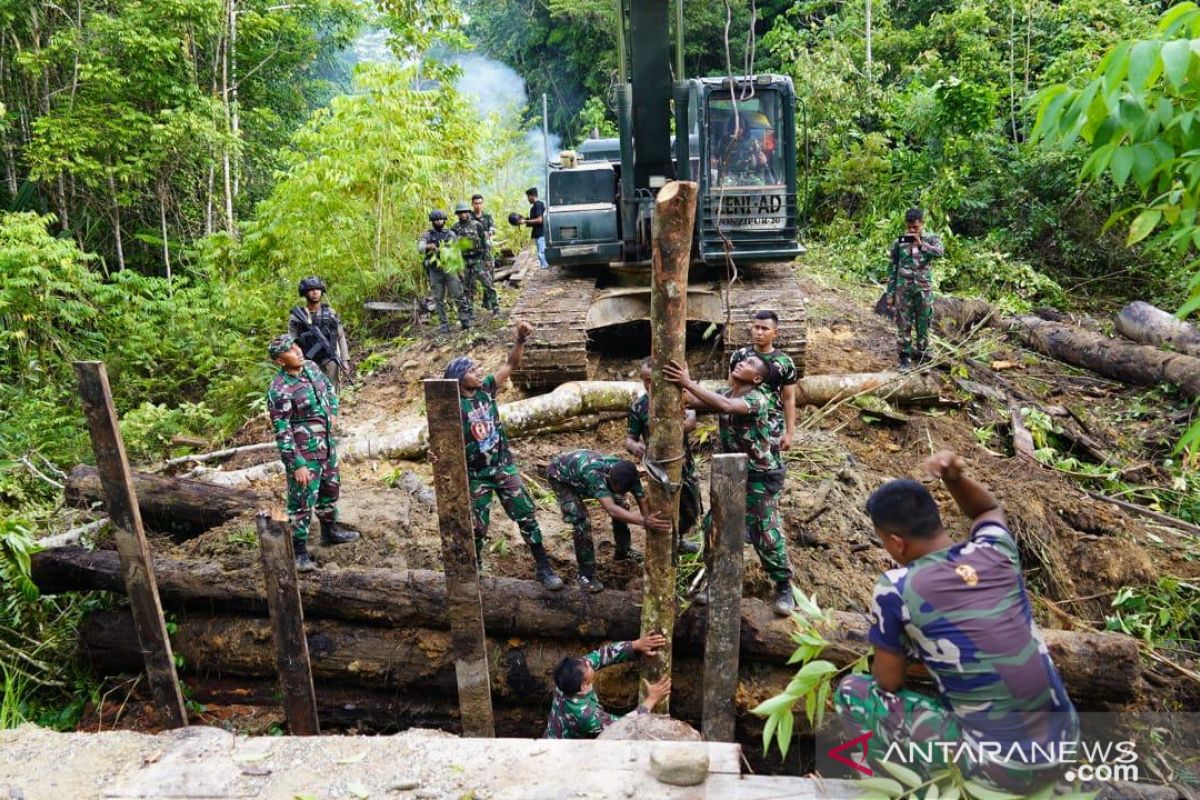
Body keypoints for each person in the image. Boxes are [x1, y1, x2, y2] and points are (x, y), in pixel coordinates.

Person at [833, 451, 1079, 791]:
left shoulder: (896, 588)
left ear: (896, 542)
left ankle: (890, 788)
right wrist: (955, 479)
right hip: (1065, 746)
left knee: (853, 693)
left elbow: (887, 682)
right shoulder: (995, 551)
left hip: (999, 769)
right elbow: (987, 510)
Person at [663, 357, 796, 616]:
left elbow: (723, 405)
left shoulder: (759, 398)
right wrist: (684, 388)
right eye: (741, 360)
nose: (740, 363)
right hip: (731, 474)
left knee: (766, 533)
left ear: (756, 379)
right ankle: (715, 583)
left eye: (748, 364)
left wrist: (687, 382)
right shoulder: (729, 392)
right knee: (713, 527)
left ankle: (783, 586)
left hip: (760, 475)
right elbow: (697, 401)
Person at [444, 320, 564, 591]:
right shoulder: (451, 405)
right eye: (472, 370)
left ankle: (543, 566)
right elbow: (441, 441)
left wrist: (520, 340)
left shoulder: (486, 389)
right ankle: (473, 570)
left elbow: (510, 366)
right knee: (476, 526)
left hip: (502, 468)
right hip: (476, 475)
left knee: (526, 516)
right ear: (460, 377)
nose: (479, 372)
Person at [266, 334, 359, 572]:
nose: (297, 351)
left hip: (326, 445)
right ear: (280, 361)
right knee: (302, 501)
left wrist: (333, 410)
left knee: (330, 489)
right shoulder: (280, 389)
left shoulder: (311, 368)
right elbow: (282, 430)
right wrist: (296, 463)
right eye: (290, 350)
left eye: (296, 346)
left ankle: (330, 531)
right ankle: (298, 552)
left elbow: (328, 387)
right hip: (304, 453)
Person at [545, 449, 672, 592]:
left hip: (585, 473)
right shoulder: (594, 474)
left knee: (622, 504)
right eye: (614, 488)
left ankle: (623, 549)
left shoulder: (631, 475)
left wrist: (649, 520)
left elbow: (642, 500)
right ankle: (586, 574)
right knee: (581, 521)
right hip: (561, 476)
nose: (616, 492)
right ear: (609, 478)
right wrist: (643, 521)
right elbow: (610, 508)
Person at [624, 357, 701, 557]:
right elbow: (629, 439)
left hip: (684, 464)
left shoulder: (680, 398)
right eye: (645, 379)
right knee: (662, 511)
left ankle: (680, 539)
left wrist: (680, 425)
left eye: (653, 379)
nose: (649, 384)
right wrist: (634, 446)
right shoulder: (639, 406)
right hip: (658, 470)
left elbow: (692, 419)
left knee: (691, 509)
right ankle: (663, 548)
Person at [545, 633, 672, 739]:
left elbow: (601, 656)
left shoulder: (567, 679)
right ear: (584, 686)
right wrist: (652, 699)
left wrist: (636, 645)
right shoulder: (586, 716)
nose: (588, 662)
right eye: (588, 666)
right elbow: (623, 726)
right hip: (563, 751)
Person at [728, 310, 798, 453]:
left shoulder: (784, 362)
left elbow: (789, 398)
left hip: (769, 425)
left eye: (765, 329)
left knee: (766, 466)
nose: (759, 332)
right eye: (756, 327)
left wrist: (789, 433)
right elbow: (730, 388)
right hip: (739, 420)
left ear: (775, 333)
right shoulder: (740, 356)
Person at [885, 207, 944, 369]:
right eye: (909, 227)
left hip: (923, 290)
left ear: (922, 224)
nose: (912, 230)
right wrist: (889, 293)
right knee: (903, 323)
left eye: (915, 227)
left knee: (923, 323)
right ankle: (904, 357)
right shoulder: (900, 243)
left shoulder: (931, 239)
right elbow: (893, 268)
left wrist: (921, 244)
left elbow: (940, 253)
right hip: (903, 289)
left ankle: (923, 356)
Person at [289, 276, 351, 390]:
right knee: (312, 392)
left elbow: (341, 337)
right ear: (305, 293)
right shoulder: (297, 316)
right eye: (311, 290)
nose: (315, 292)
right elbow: (292, 340)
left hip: (329, 359)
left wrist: (344, 359)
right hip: (308, 361)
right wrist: (296, 361)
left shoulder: (331, 313)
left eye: (317, 289)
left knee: (332, 391)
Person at [418, 209, 472, 333]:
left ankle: (465, 321)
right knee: (438, 299)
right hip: (435, 271)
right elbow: (420, 248)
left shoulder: (450, 234)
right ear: (432, 221)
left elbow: (457, 252)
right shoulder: (427, 235)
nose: (439, 221)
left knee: (458, 295)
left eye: (441, 219)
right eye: (436, 220)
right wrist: (428, 246)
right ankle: (444, 326)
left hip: (450, 269)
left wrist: (460, 270)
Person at [452, 201, 499, 317]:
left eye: (465, 212)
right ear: (458, 214)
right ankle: (470, 312)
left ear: (468, 212)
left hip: (478, 260)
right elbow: (453, 249)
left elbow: (484, 243)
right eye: (460, 213)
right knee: (467, 288)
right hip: (464, 262)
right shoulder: (454, 229)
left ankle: (496, 308)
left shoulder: (477, 225)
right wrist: (458, 267)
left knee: (488, 284)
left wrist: (487, 259)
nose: (463, 215)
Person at [524, 187, 548, 270]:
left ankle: (545, 267)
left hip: (541, 233)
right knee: (540, 252)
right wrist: (524, 220)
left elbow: (540, 220)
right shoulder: (534, 207)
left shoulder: (538, 204)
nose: (527, 199)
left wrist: (526, 221)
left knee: (541, 251)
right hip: (538, 233)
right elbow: (533, 221)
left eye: (528, 197)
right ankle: (543, 266)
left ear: (532, 196)